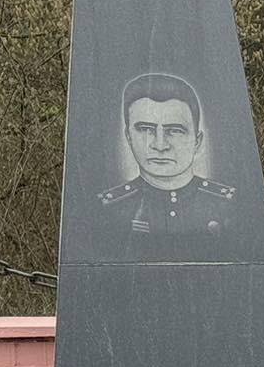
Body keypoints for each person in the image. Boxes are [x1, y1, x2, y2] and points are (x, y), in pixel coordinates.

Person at [97, 73, 237, 242]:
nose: (160, 145)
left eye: (175, 131)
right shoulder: (109, 209)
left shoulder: (228, 206)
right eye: (146, 130)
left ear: (197, 141)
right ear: (128, 137)